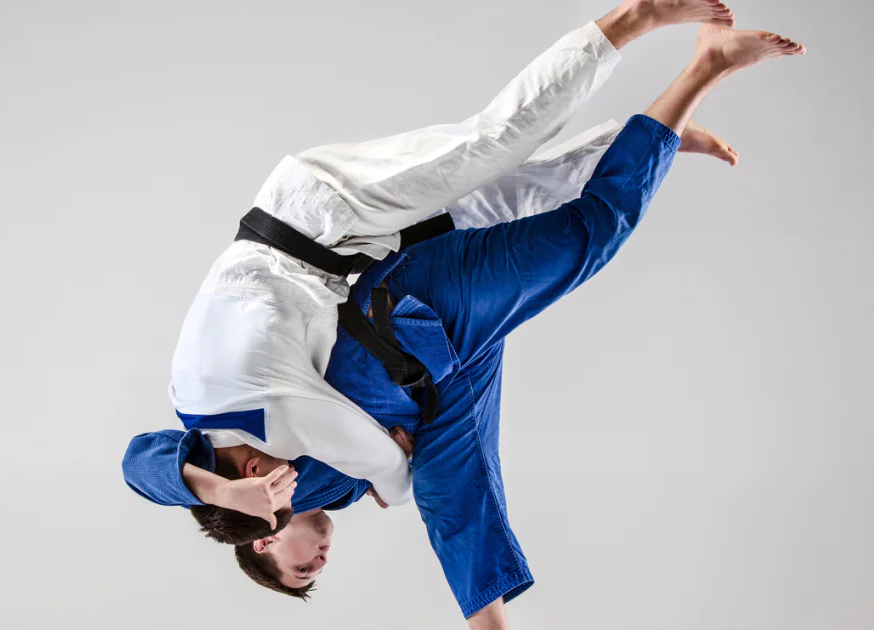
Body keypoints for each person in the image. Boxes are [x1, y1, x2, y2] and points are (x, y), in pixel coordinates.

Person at [128, 22, 806, 630]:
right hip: (401, 318)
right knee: (513, 200)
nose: (322, 560)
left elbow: (143, 464)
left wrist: (244, 485)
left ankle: (651, 30)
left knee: (510, 157)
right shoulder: (294, 472)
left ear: (264, 535)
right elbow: (437, 481)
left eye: (303, 566)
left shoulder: (248, 433)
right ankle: (652, 135)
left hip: (336, 235)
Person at [151, 0, 740, 511]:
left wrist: (390, 484)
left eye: (284, 487)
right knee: (500, 203)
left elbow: (385, 467)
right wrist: (216, 490)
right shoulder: (190, 404)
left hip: (321, 214)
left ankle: (634, 18)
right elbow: (148, 465)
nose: (297, 478)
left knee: (495, 140)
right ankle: (649, 138)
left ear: (255, 470)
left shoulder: (278, 423)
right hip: (338, 243)